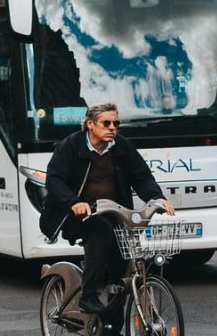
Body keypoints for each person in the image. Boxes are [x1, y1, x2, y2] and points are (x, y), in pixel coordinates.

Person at [39, 103, 175, 315]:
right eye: (106, 123)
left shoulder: (122, 147)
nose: (112, 127)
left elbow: (142, 177)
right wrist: (73, 202)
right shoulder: (72, 145)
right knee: (100, 231)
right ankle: (88, 295)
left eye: (116, 123)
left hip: (115, 214)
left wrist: (157, 198)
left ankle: (112, 325)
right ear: (90, 124)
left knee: (121, 267)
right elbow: (54, 179)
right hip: (78, 216)